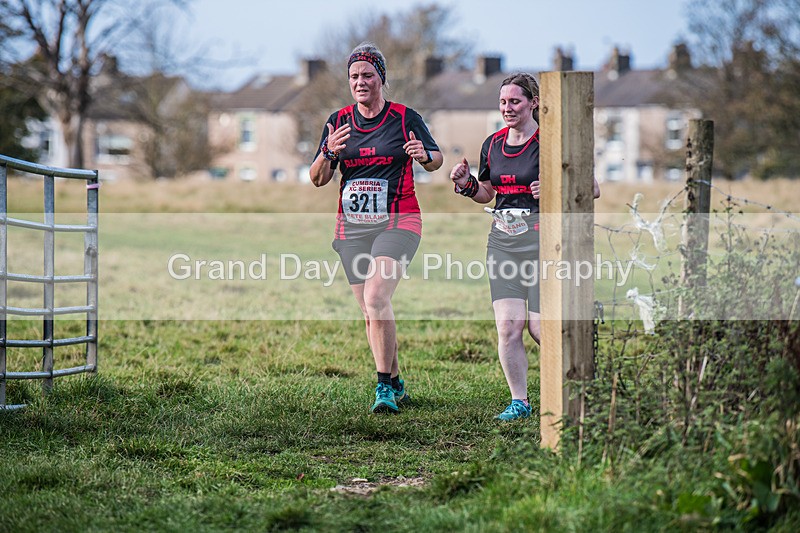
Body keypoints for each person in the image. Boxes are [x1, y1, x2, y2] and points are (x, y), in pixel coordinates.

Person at [450, 73, 600, 421]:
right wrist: (466, 184)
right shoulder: (492, 144)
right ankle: (521, 402)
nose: (507, 108)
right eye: (503, 102)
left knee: (539, 327)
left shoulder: (552, 141)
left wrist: (553, 188)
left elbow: (590, 188)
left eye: (515, 101)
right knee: (508, 327)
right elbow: (487, 193)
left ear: (534, 102)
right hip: (503, 243)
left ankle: (574, 387)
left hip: (544, 245)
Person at [310, 42, 443, 414]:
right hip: (351, 228)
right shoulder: (337, 122)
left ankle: (383, 388)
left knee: (376, 298)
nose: (360, 82)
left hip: (399, 220)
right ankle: (397, 381)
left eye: (367, 75)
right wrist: (329, 153)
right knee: (371, 313)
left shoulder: (404, 117)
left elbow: (436, 158)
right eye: (354, 76)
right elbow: (318, 178)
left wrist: (425, 157)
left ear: (381, 78)